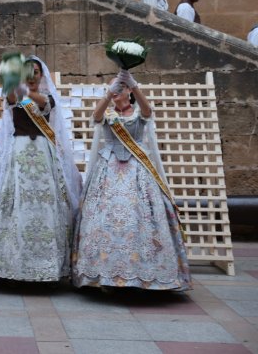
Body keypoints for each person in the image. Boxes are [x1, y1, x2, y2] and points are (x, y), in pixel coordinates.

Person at [72, 70, 191, 291]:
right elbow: (95, 117)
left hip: (137, 171)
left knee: (139, 218)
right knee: (104, 220)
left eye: (121, 87)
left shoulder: (138, 113)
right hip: (108, 171)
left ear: (129, 90)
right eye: (114, 87)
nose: (117, 90)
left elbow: (148, 112)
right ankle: (103, 274)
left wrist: (134, 85)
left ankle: (142, 274)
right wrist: (109, 94)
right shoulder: (107, 114)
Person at [0, 56, 82, 282]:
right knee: (15, 202)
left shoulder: (47, 98)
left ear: (41, 74)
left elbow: (42, 103)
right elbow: (10, 98)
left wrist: (23, 88)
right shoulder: (16, 95)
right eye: (28, 72)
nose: (32, 75)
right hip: (19, 153)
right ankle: (13, 265)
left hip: (43, 155)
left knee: (45, 204)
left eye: (35, 72)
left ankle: (46, 265)